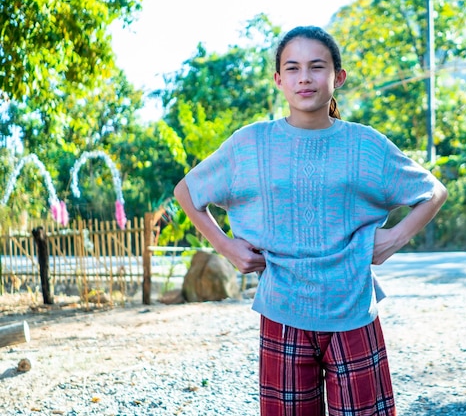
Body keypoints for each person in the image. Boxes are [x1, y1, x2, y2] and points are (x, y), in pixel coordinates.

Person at [174, 25, 447, 416]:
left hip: (354, 310)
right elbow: (188, 191)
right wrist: (226, 247)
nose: (305, 77)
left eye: (316, 67)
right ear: (278, 80)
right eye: (293, 68)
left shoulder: (365, 144)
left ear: (338, 77)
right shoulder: (251, 144)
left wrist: (393, 238)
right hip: (282, 310)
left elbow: (433, 191)